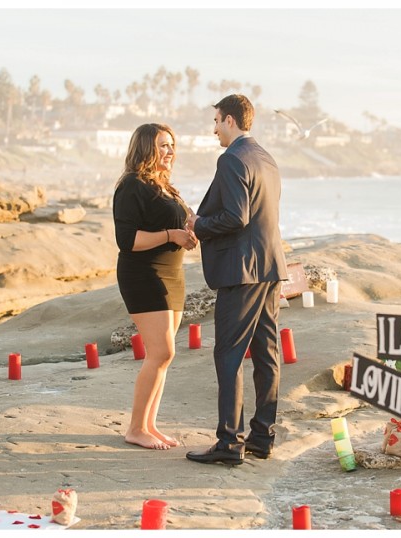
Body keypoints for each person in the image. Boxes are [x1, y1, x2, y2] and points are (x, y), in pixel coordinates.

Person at [185, 95, 288, 465]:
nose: (213, 129)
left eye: (216, 121)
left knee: (228, 355)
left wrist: (199, 225)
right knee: (266, 353)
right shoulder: (266, 159)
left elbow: (236, 217)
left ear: (230, 120)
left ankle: (229, 442)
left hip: (241, 271)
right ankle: (262, 437)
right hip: (270, 268)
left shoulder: (231, 159)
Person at [113, 123, 197, 450]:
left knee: (162, 357)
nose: (170, 151)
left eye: (172, 145)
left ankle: (149, 424)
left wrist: (192, 231)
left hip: (172, 274)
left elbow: (187, 219)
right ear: (146, 148)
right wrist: (170, 236)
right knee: (162, 351)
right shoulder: (131, 186)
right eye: (163, 145)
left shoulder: (165, 186)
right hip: (143, 274)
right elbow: (127, 240)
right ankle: (135, 428)